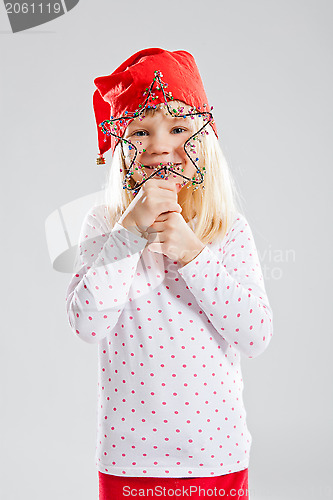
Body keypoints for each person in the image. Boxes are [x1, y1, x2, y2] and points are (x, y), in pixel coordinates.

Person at [65, 48, 273, 500]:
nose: (161, 145)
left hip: (216, 455)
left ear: (205, 138)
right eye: (141, 131)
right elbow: (86, 322)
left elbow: (255, 336)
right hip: (130, 460)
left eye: (179, 128)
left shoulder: (227, 229)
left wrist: (194, 254)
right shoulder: (103, 226)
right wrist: (128, 233)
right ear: (121, 149)